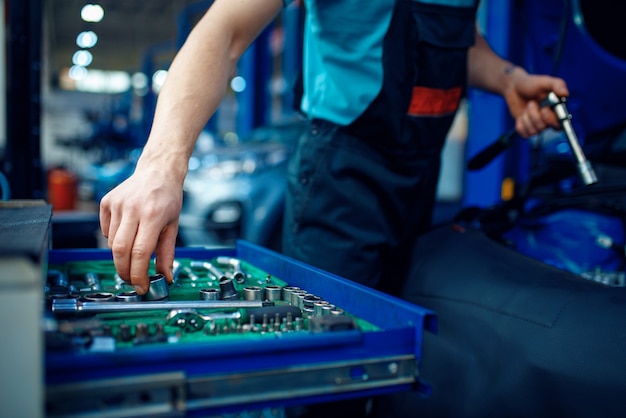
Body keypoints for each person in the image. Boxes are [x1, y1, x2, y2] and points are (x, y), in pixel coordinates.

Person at [99, 0, 568, 414]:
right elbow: (224, 31)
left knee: (395, 362)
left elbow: (456, 39)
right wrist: (161, 165)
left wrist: (509, 79)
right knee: (326, 373)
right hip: (344, 178)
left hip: (418, 175)